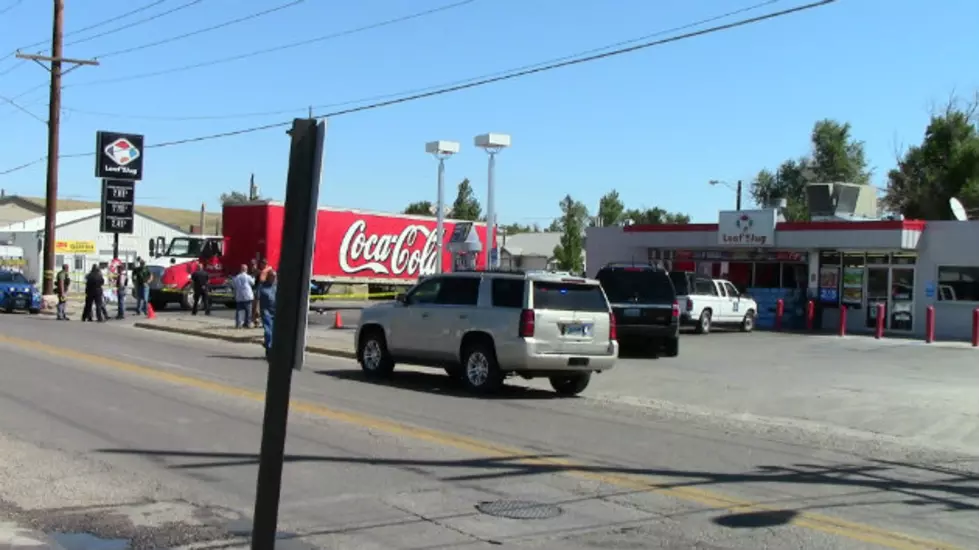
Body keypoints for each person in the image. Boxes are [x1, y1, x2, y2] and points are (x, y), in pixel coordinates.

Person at [258, 268, 277, 359]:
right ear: (268, 277)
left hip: (275, 311)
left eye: (274, 277)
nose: (273, 278)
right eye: (272, 276)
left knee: (274, 332)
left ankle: (268, 345)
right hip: (265, 312)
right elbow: (256, 299)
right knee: (268, 331)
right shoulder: (262, 286)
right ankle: (270, 348)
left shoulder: (276, 286)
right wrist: (255, 311)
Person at [232, 263, 255, 328]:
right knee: (248, 311)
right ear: (246, 269)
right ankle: (247, 323)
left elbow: (234, 286)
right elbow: (253, 283)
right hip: (247, 296)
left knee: (239, 311)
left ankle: (238, 324)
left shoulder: (237, 277)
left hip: (239, 296)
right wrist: (254, 277)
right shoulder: (248, 277)